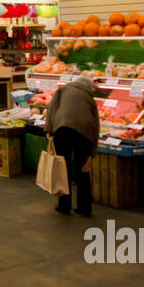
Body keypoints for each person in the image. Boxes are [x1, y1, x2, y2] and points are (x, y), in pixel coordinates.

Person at [45, 75, 100, 217]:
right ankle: (85, 208)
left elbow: (51, 110)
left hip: (63, 129)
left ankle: (64, 206)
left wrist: (49, 130)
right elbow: (96, 124)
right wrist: (92, 152)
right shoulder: (90, 97)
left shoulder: (63, 90)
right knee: (82, 169)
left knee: (63, 168)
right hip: (85, 133)